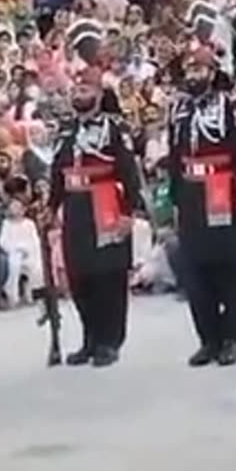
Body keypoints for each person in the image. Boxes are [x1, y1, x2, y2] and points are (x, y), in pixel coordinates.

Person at [168, 45, 236, 367]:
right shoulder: (178, 109)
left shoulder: (228, 106)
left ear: (212, 73)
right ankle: (208, 339)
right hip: (191, 192)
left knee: (230, 268)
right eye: (190, 70)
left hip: (223, 188)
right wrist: (175, 201)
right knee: (195, 269)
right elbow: (174, 158)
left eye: (200, 70)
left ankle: (233, 338)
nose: (194, 76)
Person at [48, 64, 146, 368]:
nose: (80, 95)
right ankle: (89, 339)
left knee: (109, 277)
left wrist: (130, 211)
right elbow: (57, 173)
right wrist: (50, 207)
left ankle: (109, 341)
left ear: (99, 94)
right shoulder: (65, 130)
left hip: (106, 203)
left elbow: (130, 173)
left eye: (86, 90)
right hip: (76, 207)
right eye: (76, 90)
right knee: (80, 277)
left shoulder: (115, 129)